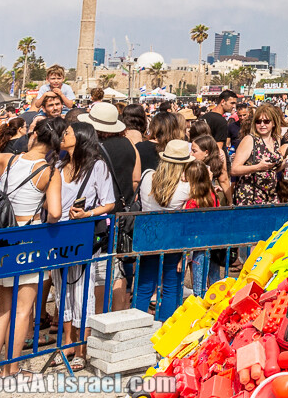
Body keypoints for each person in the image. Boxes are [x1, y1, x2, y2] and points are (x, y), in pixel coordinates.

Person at [0, 119, 62, 376]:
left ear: (34, 135)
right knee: (23, 311)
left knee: (4, 308)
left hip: (2, 240)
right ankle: (11, 369)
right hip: (29, 241)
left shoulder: (8, 160)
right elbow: (55, 212)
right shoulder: (50, 172)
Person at [52, 121, 115, 371]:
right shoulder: (57, 164)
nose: (62, 136)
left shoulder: (97, 166)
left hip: (83, 235)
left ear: (79, 138)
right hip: (58, 236)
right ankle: (66, 344)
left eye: (67, 133)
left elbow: (108, 203)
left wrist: (87, 215)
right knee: (62, 291)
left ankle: (82, 347)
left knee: (82, 292)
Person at [83, 102, 138, 312]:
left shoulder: (92, 149)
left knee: (100, 271)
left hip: (99, 215)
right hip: (121, 214)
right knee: (118, 268)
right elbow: (135, 179)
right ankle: (118, 313)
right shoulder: (129, 145)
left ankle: (99, 315)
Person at [133, 139, 192, 322]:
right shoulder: (186, 187)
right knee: (171, 287)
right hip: (173, 240)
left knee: (144, 285)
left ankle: (137, 329)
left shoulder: (147, 176)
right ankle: (164, 329)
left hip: (147, 236)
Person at [231, 105, 285, 206]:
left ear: (274, 123)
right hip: (250, 197)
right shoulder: (250, 140)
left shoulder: (275, 140)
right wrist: (257, 167)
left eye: (266, 121)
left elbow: (272, 170)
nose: (262, 124)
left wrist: (285, 163)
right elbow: (234, 170)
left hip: (270, 195)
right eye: (258, 121)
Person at [183, 160, 221, 295]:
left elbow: (187, 223)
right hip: (212, 240)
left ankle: (200, 301)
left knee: (199, 281)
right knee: (214, 277)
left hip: (197, 243)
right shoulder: (212, 193)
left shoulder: (192, 200)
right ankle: (217, 300)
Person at [191, 134, 232, 205]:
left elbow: (224, 180)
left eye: (194, 151)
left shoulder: (218, 160)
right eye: (191, 150)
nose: (190, 154)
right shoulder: (190, 165)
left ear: (206, 153)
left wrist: (230, 203)